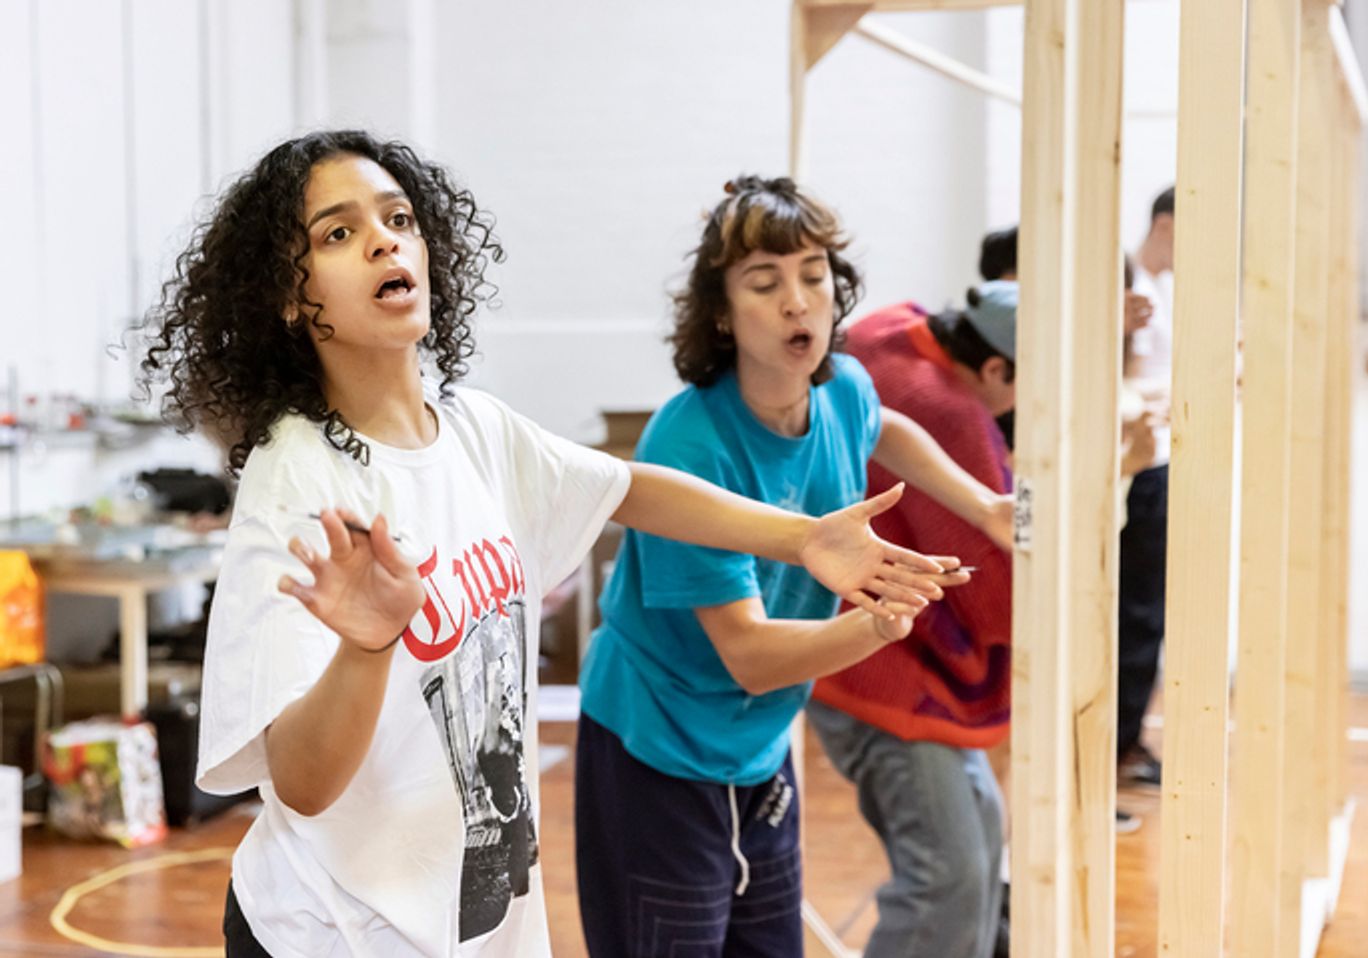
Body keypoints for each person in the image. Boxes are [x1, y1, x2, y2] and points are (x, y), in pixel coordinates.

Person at [141, 132, 950, 957]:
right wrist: (365, 647)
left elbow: (628, 488)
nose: (385, 238)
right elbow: (304, 785)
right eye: (338, 233)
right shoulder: (298, 481)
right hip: (335, 933)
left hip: (479, 924)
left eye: (398, 217)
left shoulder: (474, 430)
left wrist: (804, 538)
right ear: (287, 295)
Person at [573, 175, 1012, 957]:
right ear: (721, 312)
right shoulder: (690, 445)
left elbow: (887, 425)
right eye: (764, 282)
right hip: (656, 749)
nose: (797, 301)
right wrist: (880, 626)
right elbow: (748, 656)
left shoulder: (842, 386)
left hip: (758, 749)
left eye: (813, 275)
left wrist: (982, 504)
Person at [807, 282, 1018, 957]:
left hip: (858, 632)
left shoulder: (885, 333)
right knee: (949, 877)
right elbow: (1000, 598)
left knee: (978, 843)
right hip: (886, 659)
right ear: (992, 367)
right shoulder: (953, 415)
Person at [1118, 186, 1175, 788]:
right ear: (1165, 223)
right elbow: (1127, 386)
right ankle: (1120, 745)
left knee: (1146, 612)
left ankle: (1127, 738)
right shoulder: (1134, 283)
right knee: (1136, 613)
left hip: (1154, 462)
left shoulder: (1162, 288)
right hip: (1140, 469)